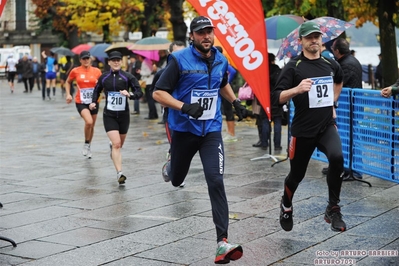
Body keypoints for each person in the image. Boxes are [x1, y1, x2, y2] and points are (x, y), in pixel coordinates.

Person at [153, 16, 246, 264]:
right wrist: (184, 107)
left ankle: (222, 242)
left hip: (211, 131)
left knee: (216, 180)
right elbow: (158, 93)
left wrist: (235, 102)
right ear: (192, 36)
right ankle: (171, 165)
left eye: (209, 32)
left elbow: (222, 83)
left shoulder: (220, 59)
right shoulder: (179, 60)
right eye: (201, 32)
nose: (206, 36)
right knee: (177, 179)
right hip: (184, 131)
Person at [272, 21, 346, 232]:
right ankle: (286, 205)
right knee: (296, 176)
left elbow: (339, 80)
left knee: (337, 157)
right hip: (303, 130)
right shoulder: (293, 66)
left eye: (317, 37)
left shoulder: (331, 64)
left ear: (322, 39)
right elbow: (276, 97)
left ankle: (333, 208)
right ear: (301, 41)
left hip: (326, 126)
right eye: (309, 37)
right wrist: (296, 89)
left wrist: (333, 101)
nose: (314, 40)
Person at [89, 51, 143, 184]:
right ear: (109, 62)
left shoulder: (128, 77)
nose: (116, 62)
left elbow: (139, 92)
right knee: (117, 144)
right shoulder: (104, 77)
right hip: (109, 115)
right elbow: (97, 90)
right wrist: (93, 102)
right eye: (113, 60)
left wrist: (129, 94)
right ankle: (120, 173)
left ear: (121, 61)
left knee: (119, 144)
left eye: (118, 60)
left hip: (124, 115)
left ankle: (112, 148)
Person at [65, 51, 102, 159]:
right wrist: (68, 94)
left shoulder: (97, 71)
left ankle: (88, 146)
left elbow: (102, 84)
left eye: (87, 58)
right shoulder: (75, 71)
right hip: (81, 101)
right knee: (89, 121)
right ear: (80, 60)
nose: (86, 60)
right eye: (84, 59)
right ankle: (86, 143)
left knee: (92, 126)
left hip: (94, 101)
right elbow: (68, 82)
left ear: (90, 59)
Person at [214, 46, 238, 142]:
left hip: (225, 88)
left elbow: (233, 71)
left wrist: (227, 81)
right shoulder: (217, 60)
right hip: (218, 89)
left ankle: (231, 134)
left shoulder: (222, 60)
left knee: (228, 110)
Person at [138, 54, 158, 119]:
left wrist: (140, 72)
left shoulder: (145, 62)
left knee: (150, 99)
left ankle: (152, 114)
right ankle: (154, 114)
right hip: (151, 81)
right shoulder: (149, 61)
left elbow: (148, 72)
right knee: (150, 99)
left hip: (148, 82)